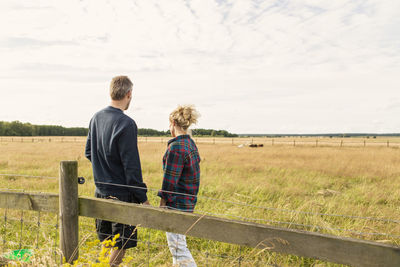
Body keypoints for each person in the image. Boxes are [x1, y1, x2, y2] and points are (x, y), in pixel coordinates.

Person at [85, 75, 149, 266]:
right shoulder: (126, 123)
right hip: (121, 196)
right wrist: (142, 197)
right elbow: (131, 167)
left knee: (107, 241)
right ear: (129, 94)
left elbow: (89, 152)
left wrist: (103, 170)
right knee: (120, 245)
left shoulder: (96, 117)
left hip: (100, 192)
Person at [158, 105, 201, 267]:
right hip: (188, 202)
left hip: (177, 204)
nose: (169, 128)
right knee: (177, 246)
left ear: (174, 123)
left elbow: (170, 181)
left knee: (178, 249)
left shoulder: (176, 147)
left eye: (169, 125)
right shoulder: (190, 144)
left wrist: (163, 204)